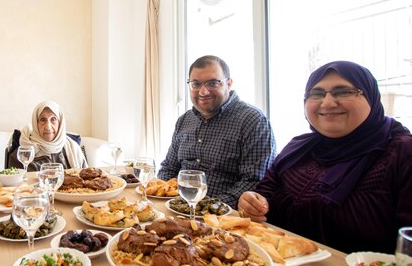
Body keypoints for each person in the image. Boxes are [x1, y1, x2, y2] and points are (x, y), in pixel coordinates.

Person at [238, 61, 412, 253]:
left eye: (344, 92)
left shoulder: (402, 153)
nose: (328, 103)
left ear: (370, 96)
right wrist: (250, 202)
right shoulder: (299, 148)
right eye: (317, 94)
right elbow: (264, 195)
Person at [157, 55, 276, 208]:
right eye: (196, 84)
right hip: (178, 209)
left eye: (213, 83)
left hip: (224, 217)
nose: (203, 91)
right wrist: (171, 198)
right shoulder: (184, 120)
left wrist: (207, 208)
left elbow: (254, 182)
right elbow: (168, 168)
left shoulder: (253, 121)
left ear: (229, 83)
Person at [8, 101, 88, 171]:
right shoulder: (21, 155)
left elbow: (88, 179)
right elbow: (14, 186)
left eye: (53, 119)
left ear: (60, 124)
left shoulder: (73, 149)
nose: (48, 127)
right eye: (43, 120)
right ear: (36, 124)